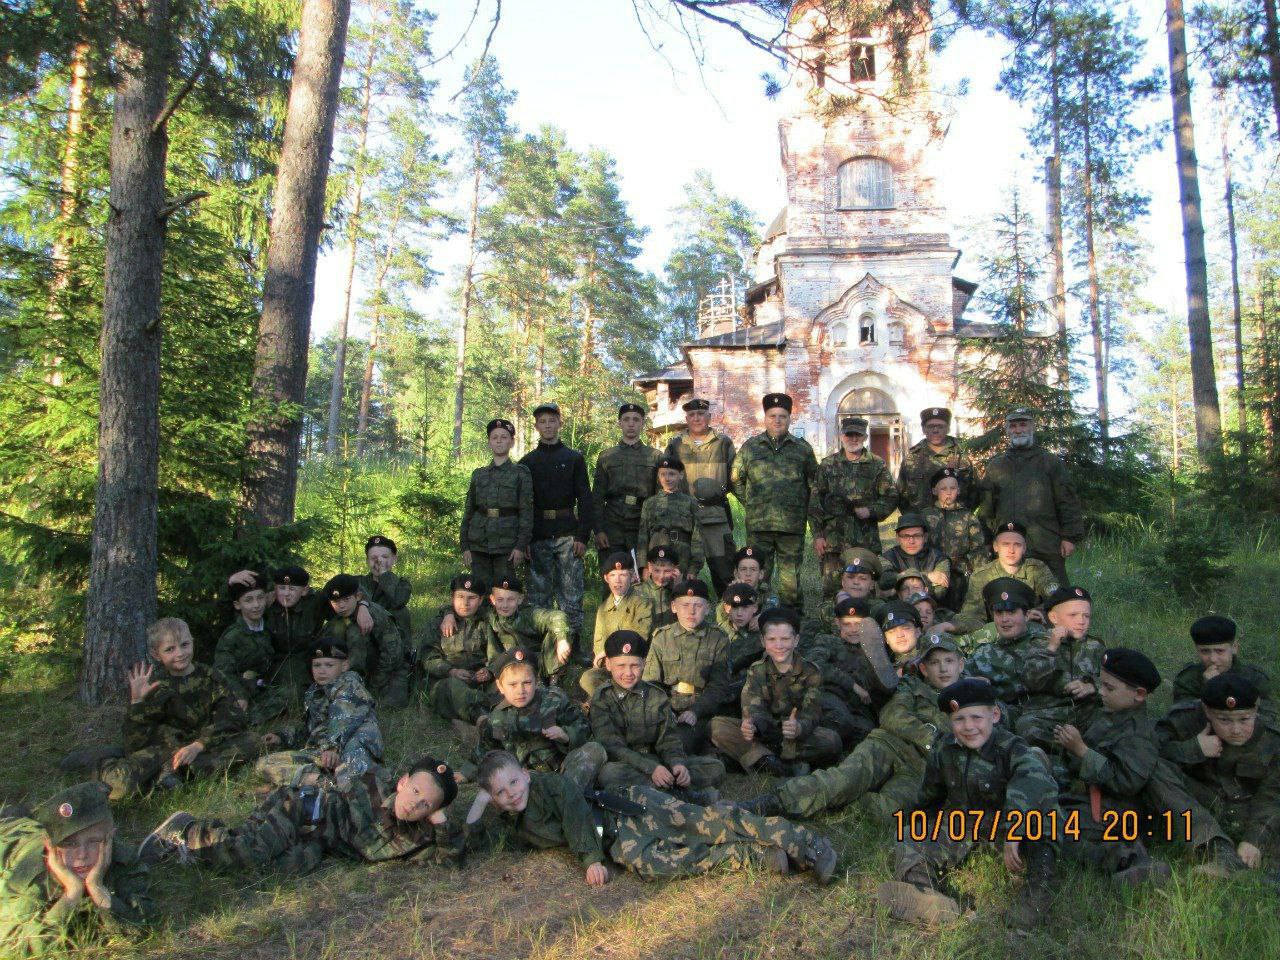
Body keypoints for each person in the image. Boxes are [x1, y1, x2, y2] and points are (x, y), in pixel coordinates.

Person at [470, 750, 838, 884]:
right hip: (617, 840)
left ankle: (805, 844)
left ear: (526, 775)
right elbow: (472, 835)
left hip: (626, 806)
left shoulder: (550, 785)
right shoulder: (510, 820)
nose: (511, 794)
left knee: (707, 825)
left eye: (514, 782)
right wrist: (477, 804)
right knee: (655, 866)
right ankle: (757, 857)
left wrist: (590, 859)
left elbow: (574, 812)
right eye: (500, 793)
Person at [876, 677, 1060, 931]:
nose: (968, 727)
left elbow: (1030, 782)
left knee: (1044, 814)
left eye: (976, 717)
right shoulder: (944, 749)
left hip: (1010, 832)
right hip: (967, 826)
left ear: (994, 715)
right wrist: (919, 832)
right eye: (959, 719)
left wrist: (1014, 831)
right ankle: (925, 895)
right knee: (912, 834)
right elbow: (930, 797)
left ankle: (1038, 891)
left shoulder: (1011, 748)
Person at [1050, 648, 1242, 880]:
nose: (1101, 691)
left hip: (1116, 809)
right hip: (1093, 799)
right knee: (1042, 822)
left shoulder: (1137, 734)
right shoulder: (1110, 715)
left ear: (1139, 694)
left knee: (1049, 830)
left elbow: (1125, 782)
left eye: (1109, 688)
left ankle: (1134, 863)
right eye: (1102, 684)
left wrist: (1081, 750)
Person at [737, 632, 962, 823]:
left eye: (949, 661)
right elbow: (893, 715)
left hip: (921, 768)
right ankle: (776, 801)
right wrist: (931, 739)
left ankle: (841, 805)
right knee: (842, 781)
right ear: (923, 668)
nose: (943, 668)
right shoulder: (911, 685)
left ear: (960, 664)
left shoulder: (973, 698)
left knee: (886, 814)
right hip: (888, 745)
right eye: (934, 663)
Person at [140, 756, 463, 876]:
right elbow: (338, 777)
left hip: (317, 843)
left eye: (426, 805)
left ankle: (201, 848)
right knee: (251, 853)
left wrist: (442, 824)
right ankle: (186, 830)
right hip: (301, 810)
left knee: (279, 868)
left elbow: (450, 861)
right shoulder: (374, 785)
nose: (414, 804)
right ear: (404, 782)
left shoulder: (416, 838)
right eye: (415, 792)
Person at [98, 619, 260, 800]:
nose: (180, 653)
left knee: (252, 741)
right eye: (170, 649)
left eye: (184, 645)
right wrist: (137, 702)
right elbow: (135, 744)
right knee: (118, 785)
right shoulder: (154, 685)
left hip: (201, 748)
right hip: (165, 751)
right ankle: (114, 765)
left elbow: (231, 720)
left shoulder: (212, 677)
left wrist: (199, 745)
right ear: (156, 654)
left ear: (192, 642)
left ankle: (174, 777)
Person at [0, 782, 152, 955]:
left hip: (34, 830)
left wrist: (97, 888)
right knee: (12, 824)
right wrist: (72, 895)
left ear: (110, 837)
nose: (82, 855)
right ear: (51, 848)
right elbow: (12, 948)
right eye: (70, 844)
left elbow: (141, 929)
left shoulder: (120, 858)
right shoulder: (33, 877)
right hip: (10, 839)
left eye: (94, 842)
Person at [1156, 673, 1280, 870]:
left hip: (1248, 814)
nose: (1236, 729)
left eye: (1244, 719)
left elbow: (1272, 796)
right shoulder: (1186, 722)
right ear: (1207, 711)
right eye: (1224, 720)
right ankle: (1217, 849)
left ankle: (1242, 862)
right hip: (1201, 810)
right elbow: (1148, 753)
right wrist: (1193, 748)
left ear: (1256, 709)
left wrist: (1254, 839)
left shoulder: (1271, 740)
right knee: (1157, 769)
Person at [589, 630, 725, 804]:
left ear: (644, 663)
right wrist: (651, 769)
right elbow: (612, 746)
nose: (628, 673)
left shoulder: (656, 695)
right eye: (621, 666)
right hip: (627, 763)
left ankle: (667, 789)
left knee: (716, 768)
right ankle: (683, 795)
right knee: (608, 774)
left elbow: (668, 739)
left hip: (658, 760)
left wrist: (677, 764)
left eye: (635, 665)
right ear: (608, 664)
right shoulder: (602, 698)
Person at [710, 607, 842, 776]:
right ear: (763, 641)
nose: (779, 646)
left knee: (832, 741)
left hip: (795, 735)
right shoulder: (756, 670)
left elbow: (812, 712)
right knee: (716, 726)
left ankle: (759, 758)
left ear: (796, 640)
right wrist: (752, 726)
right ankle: (778, 762)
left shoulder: (811, 671)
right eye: (772, 639)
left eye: (785, 639)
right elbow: (752, 707)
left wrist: (799, 727)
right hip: (765, 732)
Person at [463, 647, 605, 790]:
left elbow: (583, 726)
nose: (520, 691)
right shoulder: (497, 716)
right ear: (500, 686)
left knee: (595, 749)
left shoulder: (553, 700)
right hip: (526, 780)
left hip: (563, 771)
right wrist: (466, 772)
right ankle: (560, 797)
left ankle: (567, 793)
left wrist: (566, 735)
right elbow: (486, 749)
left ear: (536, 681)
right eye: (512, 684)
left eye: (527, 683)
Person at [255, 638, 382, 790]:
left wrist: (332, 747)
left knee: (356, 778)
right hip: (324, 752)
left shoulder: (349, 683)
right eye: (317, 665)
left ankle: (346, 784)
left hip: (351, 746)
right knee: (263, 764)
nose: (322, 671)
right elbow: (310, 729)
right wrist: (282, 737)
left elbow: (344, 717)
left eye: (329, 665)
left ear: (345, 665)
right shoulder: (314, 692)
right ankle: (322, 782)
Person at [520, 401, 594, 663]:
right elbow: (524, 504)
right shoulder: (527, 462)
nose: (548, 425)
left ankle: (573, 645)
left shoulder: (573, 458)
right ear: (536, 426)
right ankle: (542, 647)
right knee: (538, 595)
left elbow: (585, 498)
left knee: (571, 594)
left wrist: (582, 536)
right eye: (542, 421)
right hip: (539, 535)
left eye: (552, 420)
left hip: (567, 534)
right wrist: (525, 539)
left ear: (560, 423)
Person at [729, 392, 817, 608]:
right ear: (765, 418)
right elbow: (736, 479)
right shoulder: (751, 447)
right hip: (760, 526)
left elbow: (814, 484)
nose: (777, 420)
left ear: (789, 419)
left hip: (791, 526)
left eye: (782, 416)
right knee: (757, 575)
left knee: (791, 580)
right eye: (772, 416)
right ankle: (755, 615)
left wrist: (803, 509)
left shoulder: (802, 449)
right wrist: (751, 503)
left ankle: (792, 617)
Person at [979, 407, 1084, 585]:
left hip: (1046, 544)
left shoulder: (1050, 462)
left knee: (1055, 594)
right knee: (1010, 594)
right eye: (1013, 426)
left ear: (1032, 427)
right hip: (1009, 547)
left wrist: (1069, 537)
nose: (1018, 430)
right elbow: (986, 508)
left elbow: (1067, 501)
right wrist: (987, 540)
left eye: (1023, 425)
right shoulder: (996, 466)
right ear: (1007, 430)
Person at [642, 579, 733, 753]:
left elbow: (719, 686)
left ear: (708, 608)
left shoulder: (718, 638)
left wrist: (696, 711)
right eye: (685, 605)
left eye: (698, 605)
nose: (691, 611)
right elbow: (651, 682)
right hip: (665, 706)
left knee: (678, 743)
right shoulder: (662, 637)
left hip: (700, 708)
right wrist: (664, 710)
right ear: (673, 607)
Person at [1016, 586, 1105, 761]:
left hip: (1085, 712)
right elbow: (1031, 680)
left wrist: (1092, 686)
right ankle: (1069, 755)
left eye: (1086, 616)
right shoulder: (1039, 642)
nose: (1081, 621)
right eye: (1073, 615)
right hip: (1049, 714)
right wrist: (1053, 646)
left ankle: (1080, 755)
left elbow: (1113, 682)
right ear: (1054, 618)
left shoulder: (1095, 646)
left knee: (1109, 722)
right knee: (1026, 726)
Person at [810, 415, 895, 597]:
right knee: (832, 589)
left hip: (865, 539)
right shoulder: (828, 465)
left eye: (858, 435)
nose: (854, 439)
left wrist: (870, 511)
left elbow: (891, 497)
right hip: (834, 540)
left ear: (865, 437)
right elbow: (816, 502)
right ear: (842, 436)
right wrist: (818, 536)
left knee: (864, 588)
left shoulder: (877, 465)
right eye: (849, 435)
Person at [801, 596, 897, 749]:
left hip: (859, 707)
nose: (853, 630)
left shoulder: (874, 649)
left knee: (868, 735)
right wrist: (852, 685)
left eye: (858, 624)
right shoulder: (828, 641)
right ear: (837, 623)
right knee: (841, 721)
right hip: (831, 697)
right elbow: (813, 664)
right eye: (847, 624)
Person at [665, 397, 738, 595]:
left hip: (716, 518)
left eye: (701, 414)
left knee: (724, 571)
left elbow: (735, 478)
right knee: (680, 571)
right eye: (692, 415)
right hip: (684, 518)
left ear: (709, 417)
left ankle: (728, 609)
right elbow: (664, 479)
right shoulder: (676, 445)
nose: (696, 418)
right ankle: (680, 609)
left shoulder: (722, 443)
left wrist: (750, 504)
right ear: (686, 419)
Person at [962, 579, 1052, 729]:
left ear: (1027, 615)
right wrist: (970, 681)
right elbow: (955, 677)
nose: (1004, 619)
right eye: (999, 613)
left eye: (1011, 612)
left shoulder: (1046, 642)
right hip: (1007, 721)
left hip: (1051, 716)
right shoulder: (985, 653)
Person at [461, 418, 534, 590]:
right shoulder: (479, 475)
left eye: (504, 437)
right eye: (494, 437)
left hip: (507, 544)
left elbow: (526, 512)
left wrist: (520, 546)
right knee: (479, 591)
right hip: (479, 542)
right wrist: (465, 546)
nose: (499, 441)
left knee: (504, 591)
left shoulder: (520, 474)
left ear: (512, 442)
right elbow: (469, 510)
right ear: (489, 442)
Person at [315, 574, 408, 708]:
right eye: (336, 602)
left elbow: (392, 654)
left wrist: (374, 684)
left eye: (346, 599)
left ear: (358, 597)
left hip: (382, 668)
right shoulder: (334, 620)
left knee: (390, 702)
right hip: (351, 670)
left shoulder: (375, 615)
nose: (341, 606)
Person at [951, 520, 1058, 635]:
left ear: (1024, 548)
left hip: (1031, 631)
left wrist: (1033, 613)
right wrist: (952, 626)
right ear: (995, 547)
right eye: (1005, 544)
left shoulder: (1036, 568)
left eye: (1017, 545)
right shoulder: (981, 576)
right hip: (997, 635)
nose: (1011, 551)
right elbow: (972, 617)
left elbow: (1057, 599)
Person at [592, 402, 662, 573]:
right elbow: (597, 497)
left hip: (642, 522)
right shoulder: (607, 456)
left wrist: (656, 530)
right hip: (612, 522)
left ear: (642, 423)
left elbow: (660, 496)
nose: (631, 424)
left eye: (636, 420)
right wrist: (599, 530)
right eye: (626, 419)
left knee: (641, 574)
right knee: (612, 574)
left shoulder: (655, 456)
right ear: (620, 423)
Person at [417, 574, 494, 724]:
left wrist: (488, 671)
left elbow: (494, 654)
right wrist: (451, 671)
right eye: (460, 597)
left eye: (471, 598)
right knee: (453, 687)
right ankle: (481, 718)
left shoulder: (485, 623)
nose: (465, 603)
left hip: (477, 680)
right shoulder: (437, 624)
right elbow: (428, 658)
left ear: (481, 600)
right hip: (445, 680)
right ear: (452, 598)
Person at [215, 572, 291, 723]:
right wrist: (239, 695)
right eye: (248, 600)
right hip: (238, 689)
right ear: (237, 605)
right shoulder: (233, 635)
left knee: (288, 696)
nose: (256, 605)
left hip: (261, 687)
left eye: (260, 598)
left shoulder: (268, 625)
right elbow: (222, 671)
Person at [582, 551, 655, 697]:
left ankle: (616, 699)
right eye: (613, 575)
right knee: (588, 678)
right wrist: (604, 660)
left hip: (634, 665)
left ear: (632, 576)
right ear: (606, 578)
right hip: (612, 667)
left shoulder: (642, 603)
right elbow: (598, 642)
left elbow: (639, 636)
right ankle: (615, 700)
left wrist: (607, 652)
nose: (617, 580)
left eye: (622, 575)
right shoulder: (603, 608)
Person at [482, 575, 574, 686]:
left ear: (520, 599)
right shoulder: (491, 617)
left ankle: (555, 680)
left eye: (511, 599)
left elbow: (557, 616)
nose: (505, 605)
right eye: (500, 600)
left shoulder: (529, 614)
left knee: (558, 630)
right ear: (492, 599)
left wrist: (562, 640)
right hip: (511, 665)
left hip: (539, 663)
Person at [1172, 615, 1272, 713]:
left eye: (1219, 651)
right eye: (1205, 651)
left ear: (1234, 648)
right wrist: (1208, 689)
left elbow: (1268, 718)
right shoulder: (1188, 679)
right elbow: (1182, 719)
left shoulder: (1254, 678)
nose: (1213, 659)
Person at [921, 466, 987, 611]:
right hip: (933, 570)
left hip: (960, 572)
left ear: (958, 490)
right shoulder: (925, 516)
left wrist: (980, 576)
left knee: (960, 608)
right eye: (943, 488)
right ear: (934, 491)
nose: (949, 492)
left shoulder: (967, 516)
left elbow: (978, 549)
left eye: (953, 488)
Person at [896, 407, 979, 514]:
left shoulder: (962, 456)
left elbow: (976, 492)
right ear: (923, 429)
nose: (935, 430)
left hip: (956, 521)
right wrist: (913, 519)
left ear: (948, 428)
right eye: (930, 426)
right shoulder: (911, 458)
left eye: (940, 426)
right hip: (921, 521)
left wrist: (962, 516)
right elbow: (901, 494)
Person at [636, 455, 704, 578]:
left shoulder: (690, 503)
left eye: (672, 474)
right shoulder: (650, 503)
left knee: (679, 587)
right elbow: (643, 536)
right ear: (658, 476)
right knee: (657, 587)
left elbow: (697, 537)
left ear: (681, 475)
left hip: (682, 554)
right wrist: (643, 566)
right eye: (663, 474)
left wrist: (694, 568)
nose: (667, 478)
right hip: (656, 550)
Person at [879, 514, 950, 602]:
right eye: (905, 536)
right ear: (897, 538)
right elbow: (884, 580)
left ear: (925, 537)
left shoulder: (939, 558)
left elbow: (939, 592)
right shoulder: (887, 557)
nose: (911, 541)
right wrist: (926, 576)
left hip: (929, 608)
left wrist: (899, 590)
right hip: (897, 607)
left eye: (917, 536)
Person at [359, 534, 414, 642]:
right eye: (373, 558)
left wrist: (384, 574)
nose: (379, 561)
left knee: (401, 612)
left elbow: (398, 602)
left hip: (393, 642)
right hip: (364, 639)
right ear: (367, 561)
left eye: (384, 557)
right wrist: (362, 607)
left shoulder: (402, 584)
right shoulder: (358, 582)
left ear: (394, 559)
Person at [719, 583, 763, 703]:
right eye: (735, 607)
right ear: (726, 608)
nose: (739, 613)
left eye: (745, 608)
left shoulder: (763, 635)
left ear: (755, 608)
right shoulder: (718, 632)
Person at [634, 545, 680, 631]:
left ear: (675, 569)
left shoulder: (679, 592)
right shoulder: (636, 592)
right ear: (650, 567)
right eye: (657, 570)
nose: (661, 576)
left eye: (667, 571)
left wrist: (678, 589)